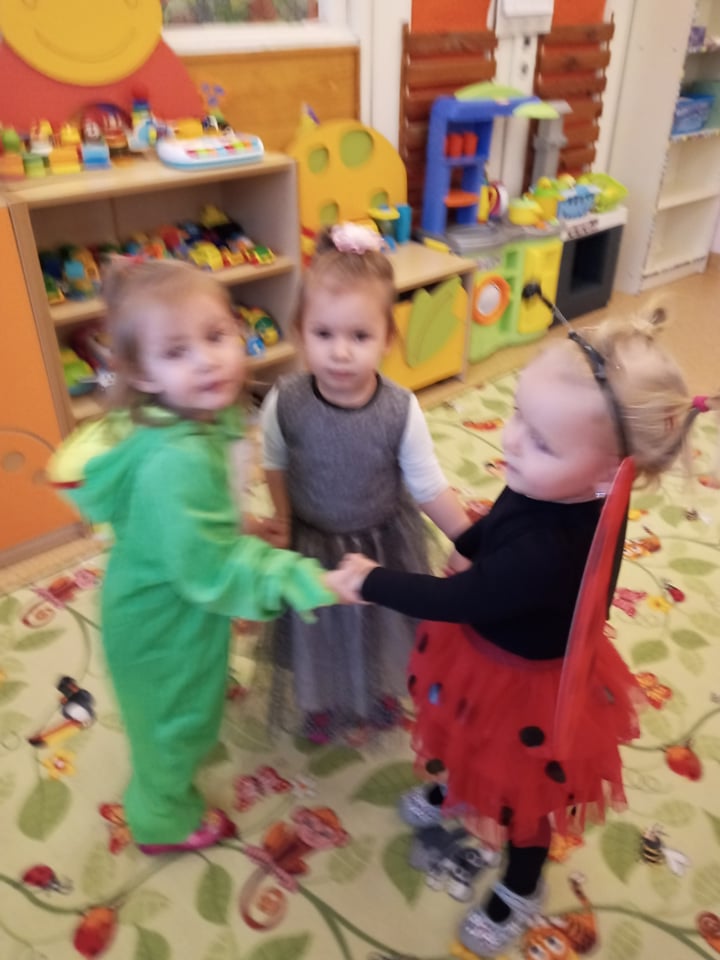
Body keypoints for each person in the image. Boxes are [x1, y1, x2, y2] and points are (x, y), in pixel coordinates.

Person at [328, 310, 716, 956]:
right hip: (484, 659)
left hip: (526, 684)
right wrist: (470, 540)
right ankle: (460, 788)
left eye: (541, 442)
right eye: (515, 415)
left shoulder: (551, 550)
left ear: (609, 475)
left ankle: (523, 883)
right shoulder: (554, 485)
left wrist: (373, 580)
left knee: (523, 796)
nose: (509, 441)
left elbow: (459, 599)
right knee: (462, 731)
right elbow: (501, 516)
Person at [48, 259, 336, 855]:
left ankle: (191, 728)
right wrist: (295, 576)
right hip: (159, 625)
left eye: (216, 335)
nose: (206, 360)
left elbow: (189, 524)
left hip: (171, 601)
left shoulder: (187, 416)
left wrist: (240, 523)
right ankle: (161, 821)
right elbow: (212, 570)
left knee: (190, 700)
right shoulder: (174, 458)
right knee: (170, 731)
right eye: (177, 351)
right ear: (141, 372)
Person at [259, 223, 470, 743]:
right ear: (300, 331)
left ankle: (378, 690)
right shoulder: (285, 400)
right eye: (323, 334)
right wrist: (282, 516)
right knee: (316, 630)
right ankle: (321, 699)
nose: (340, 353)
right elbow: (274, 461)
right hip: (311, 542)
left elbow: (427, 485)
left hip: (381, 543)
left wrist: (470, 540)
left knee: (380, 627)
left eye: (360, 336)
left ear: (387, 339)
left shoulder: (400, 409)